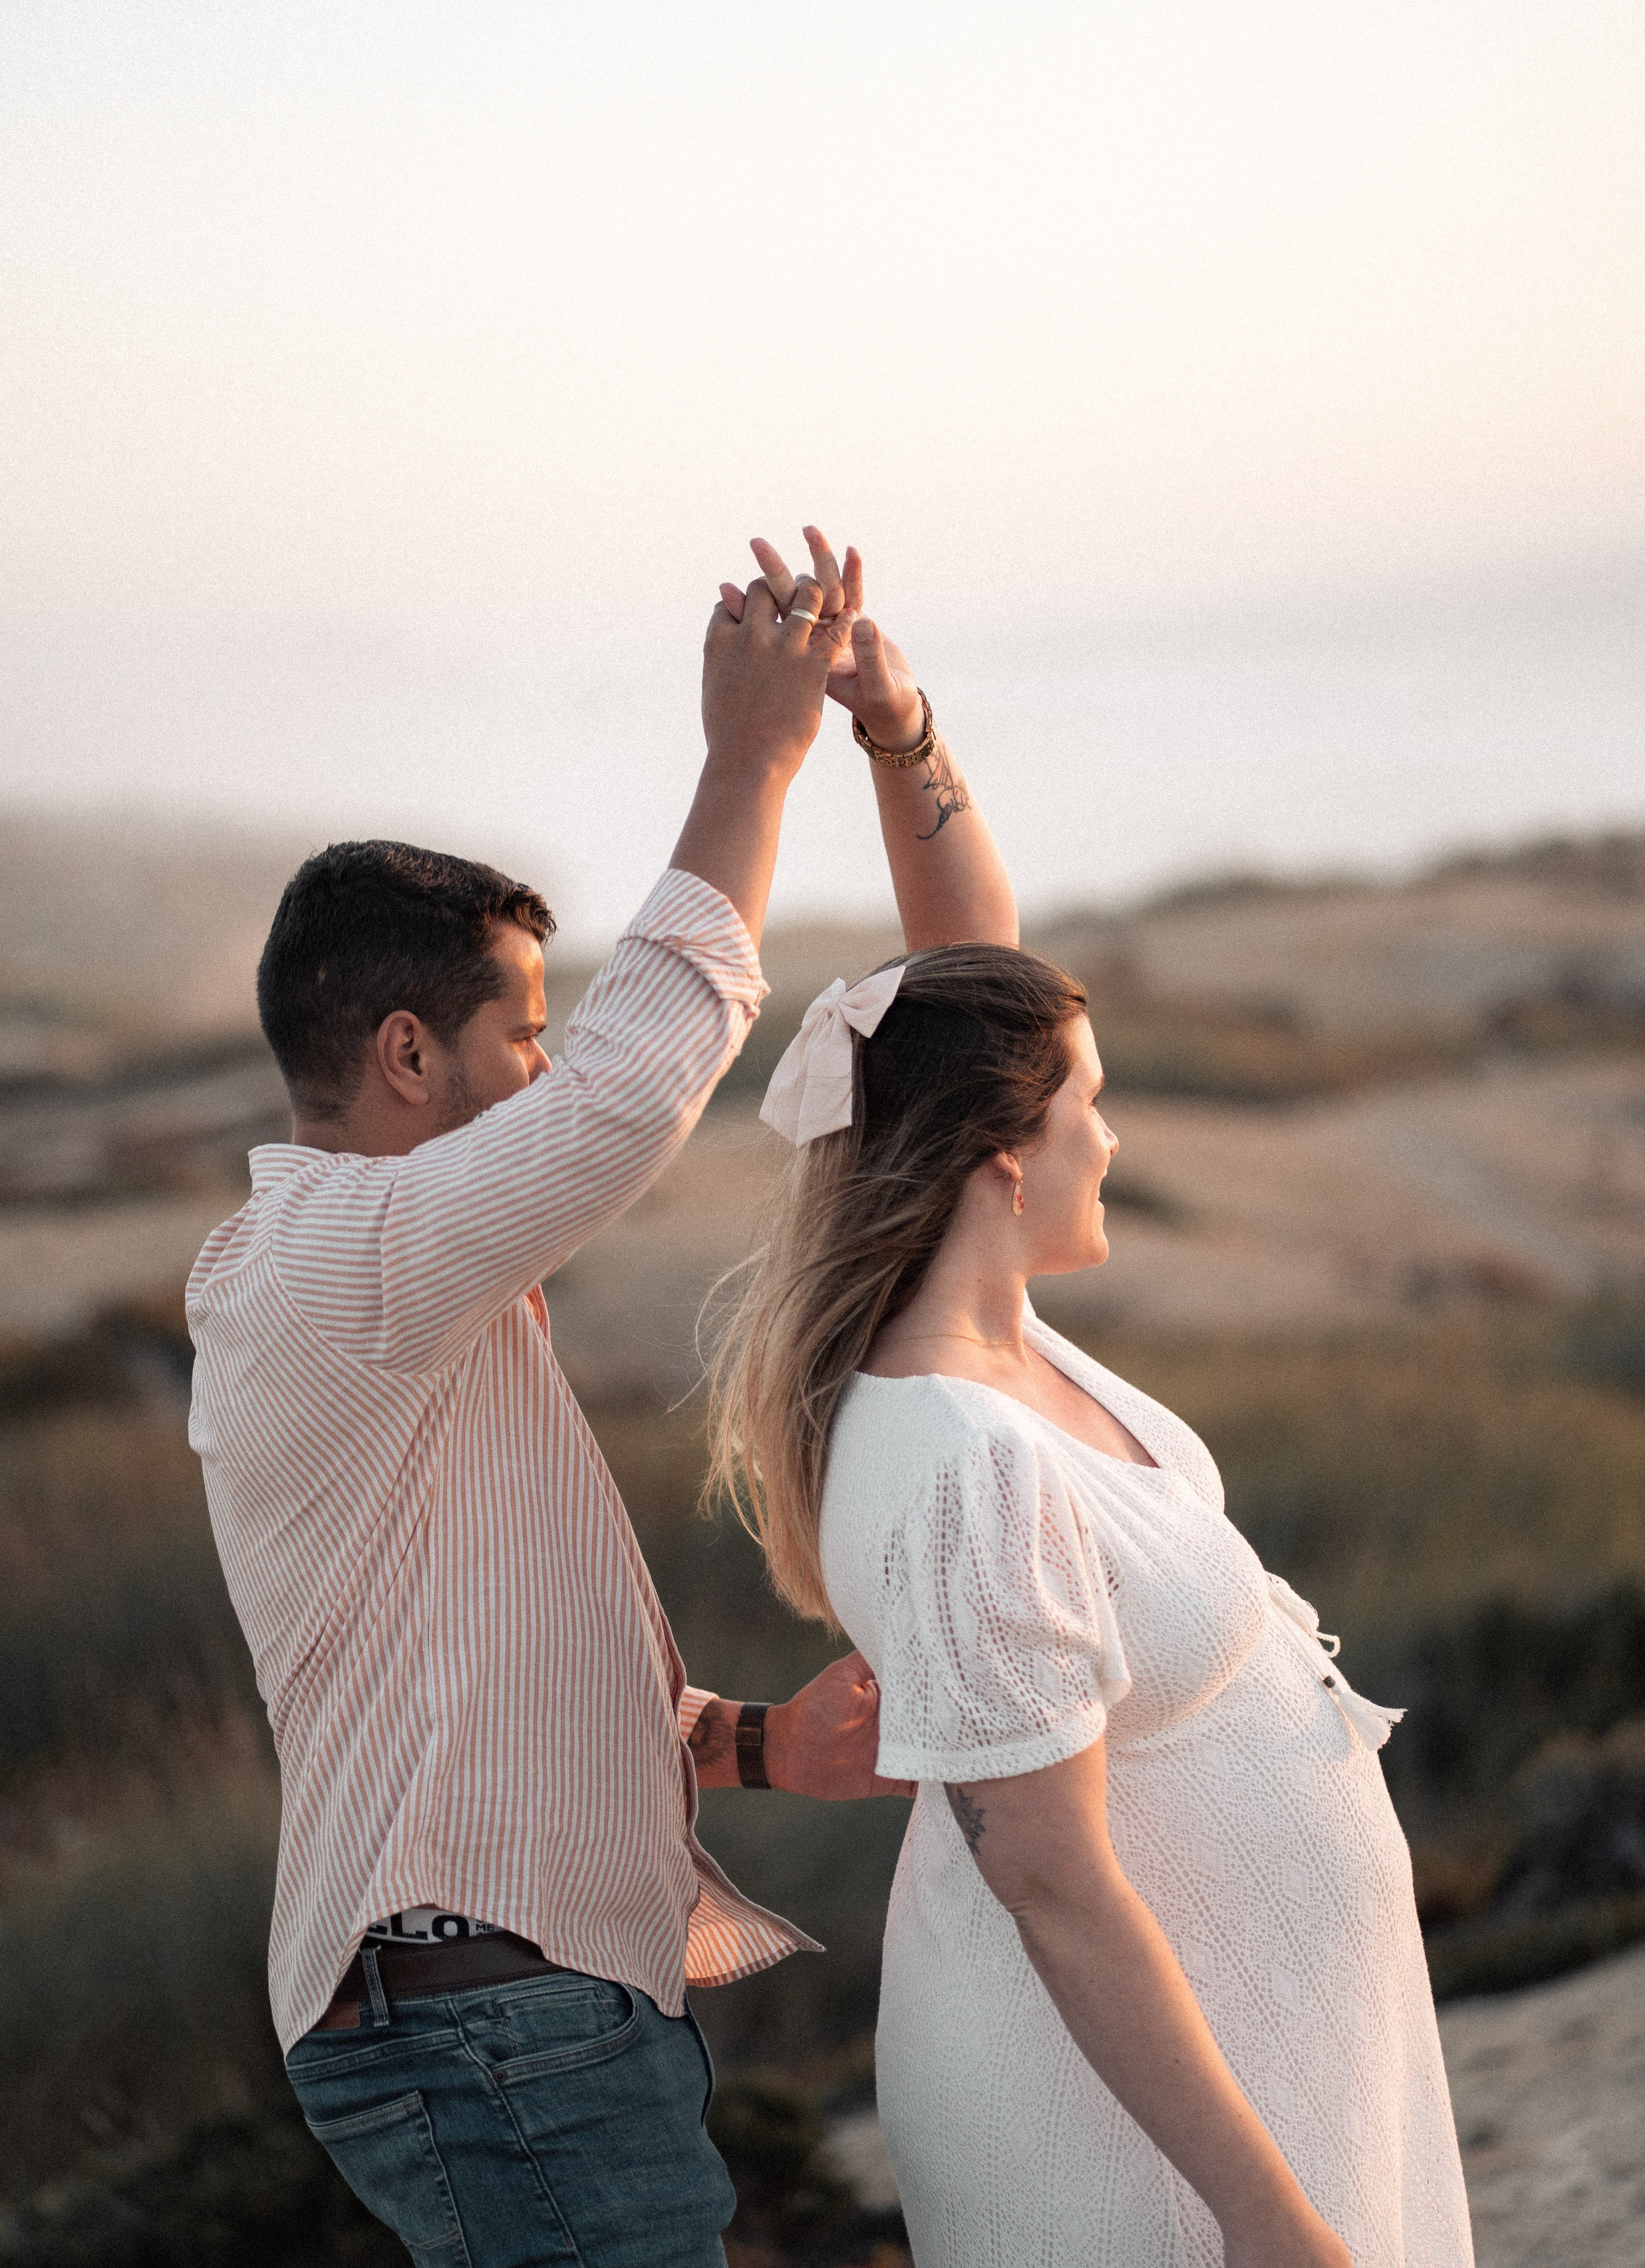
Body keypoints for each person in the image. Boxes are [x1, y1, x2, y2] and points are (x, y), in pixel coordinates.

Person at [186, 530, 984, 2268]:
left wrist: (757, 1744)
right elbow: (632, 1094)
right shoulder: (325, 1260)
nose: (548, 1067)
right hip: (485, 2015)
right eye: (519, 1034)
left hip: (512, 2002)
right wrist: (750, 759)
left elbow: (463, 1683)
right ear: (408, 1055)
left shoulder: (395, 1293)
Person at [708, 638, 1475, 2265]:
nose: (1111, 1138)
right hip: (1131, 2152)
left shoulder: (990, 1338)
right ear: (999, 1157)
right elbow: (1050, 1885)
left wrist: (895, 729)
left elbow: (973, 974)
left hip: (1266, 2056)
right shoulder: (961, 1459)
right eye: (1088, 1107)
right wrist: (1265, 2219)